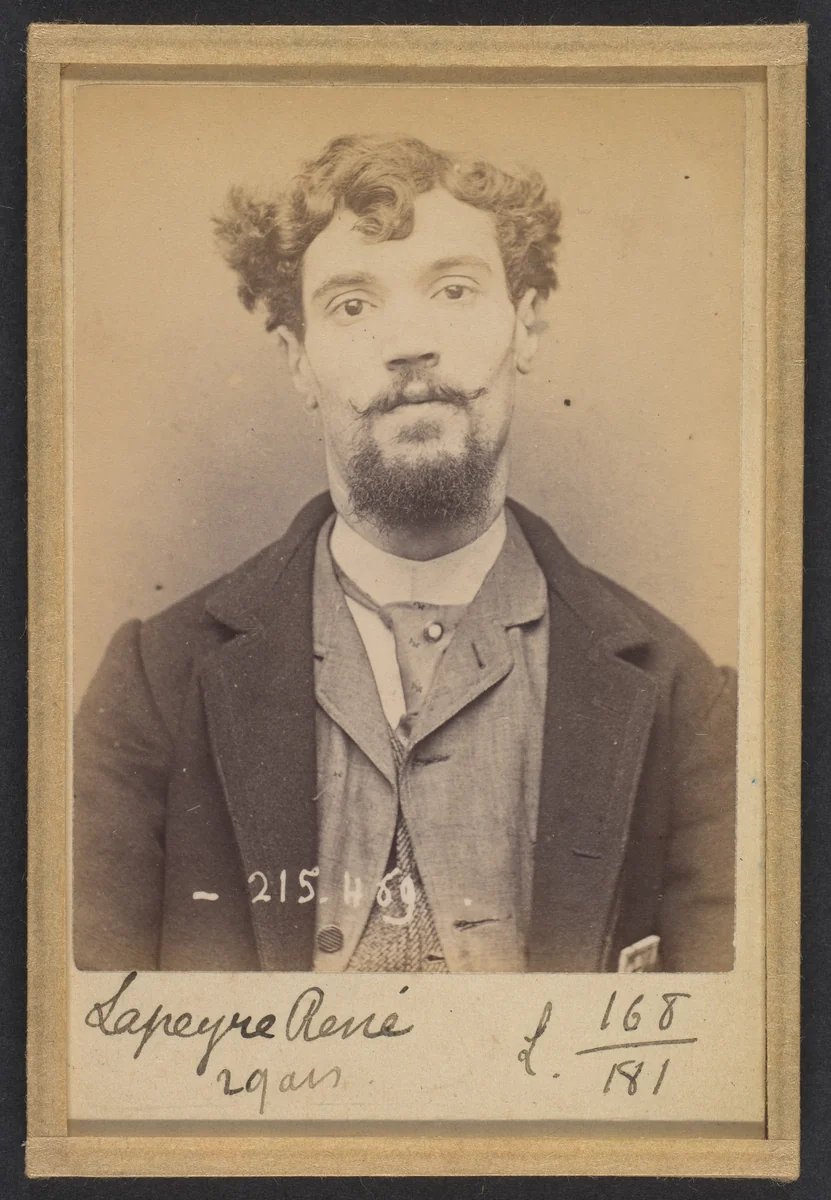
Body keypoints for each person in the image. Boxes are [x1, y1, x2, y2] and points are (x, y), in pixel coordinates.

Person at [73, 134, 736, 974]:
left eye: (454, 290)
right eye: (353, 305)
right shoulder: (153, 685)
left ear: (525, 325)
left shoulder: (683, 698)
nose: (409, 342)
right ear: (296, 360)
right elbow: (85, 1055)